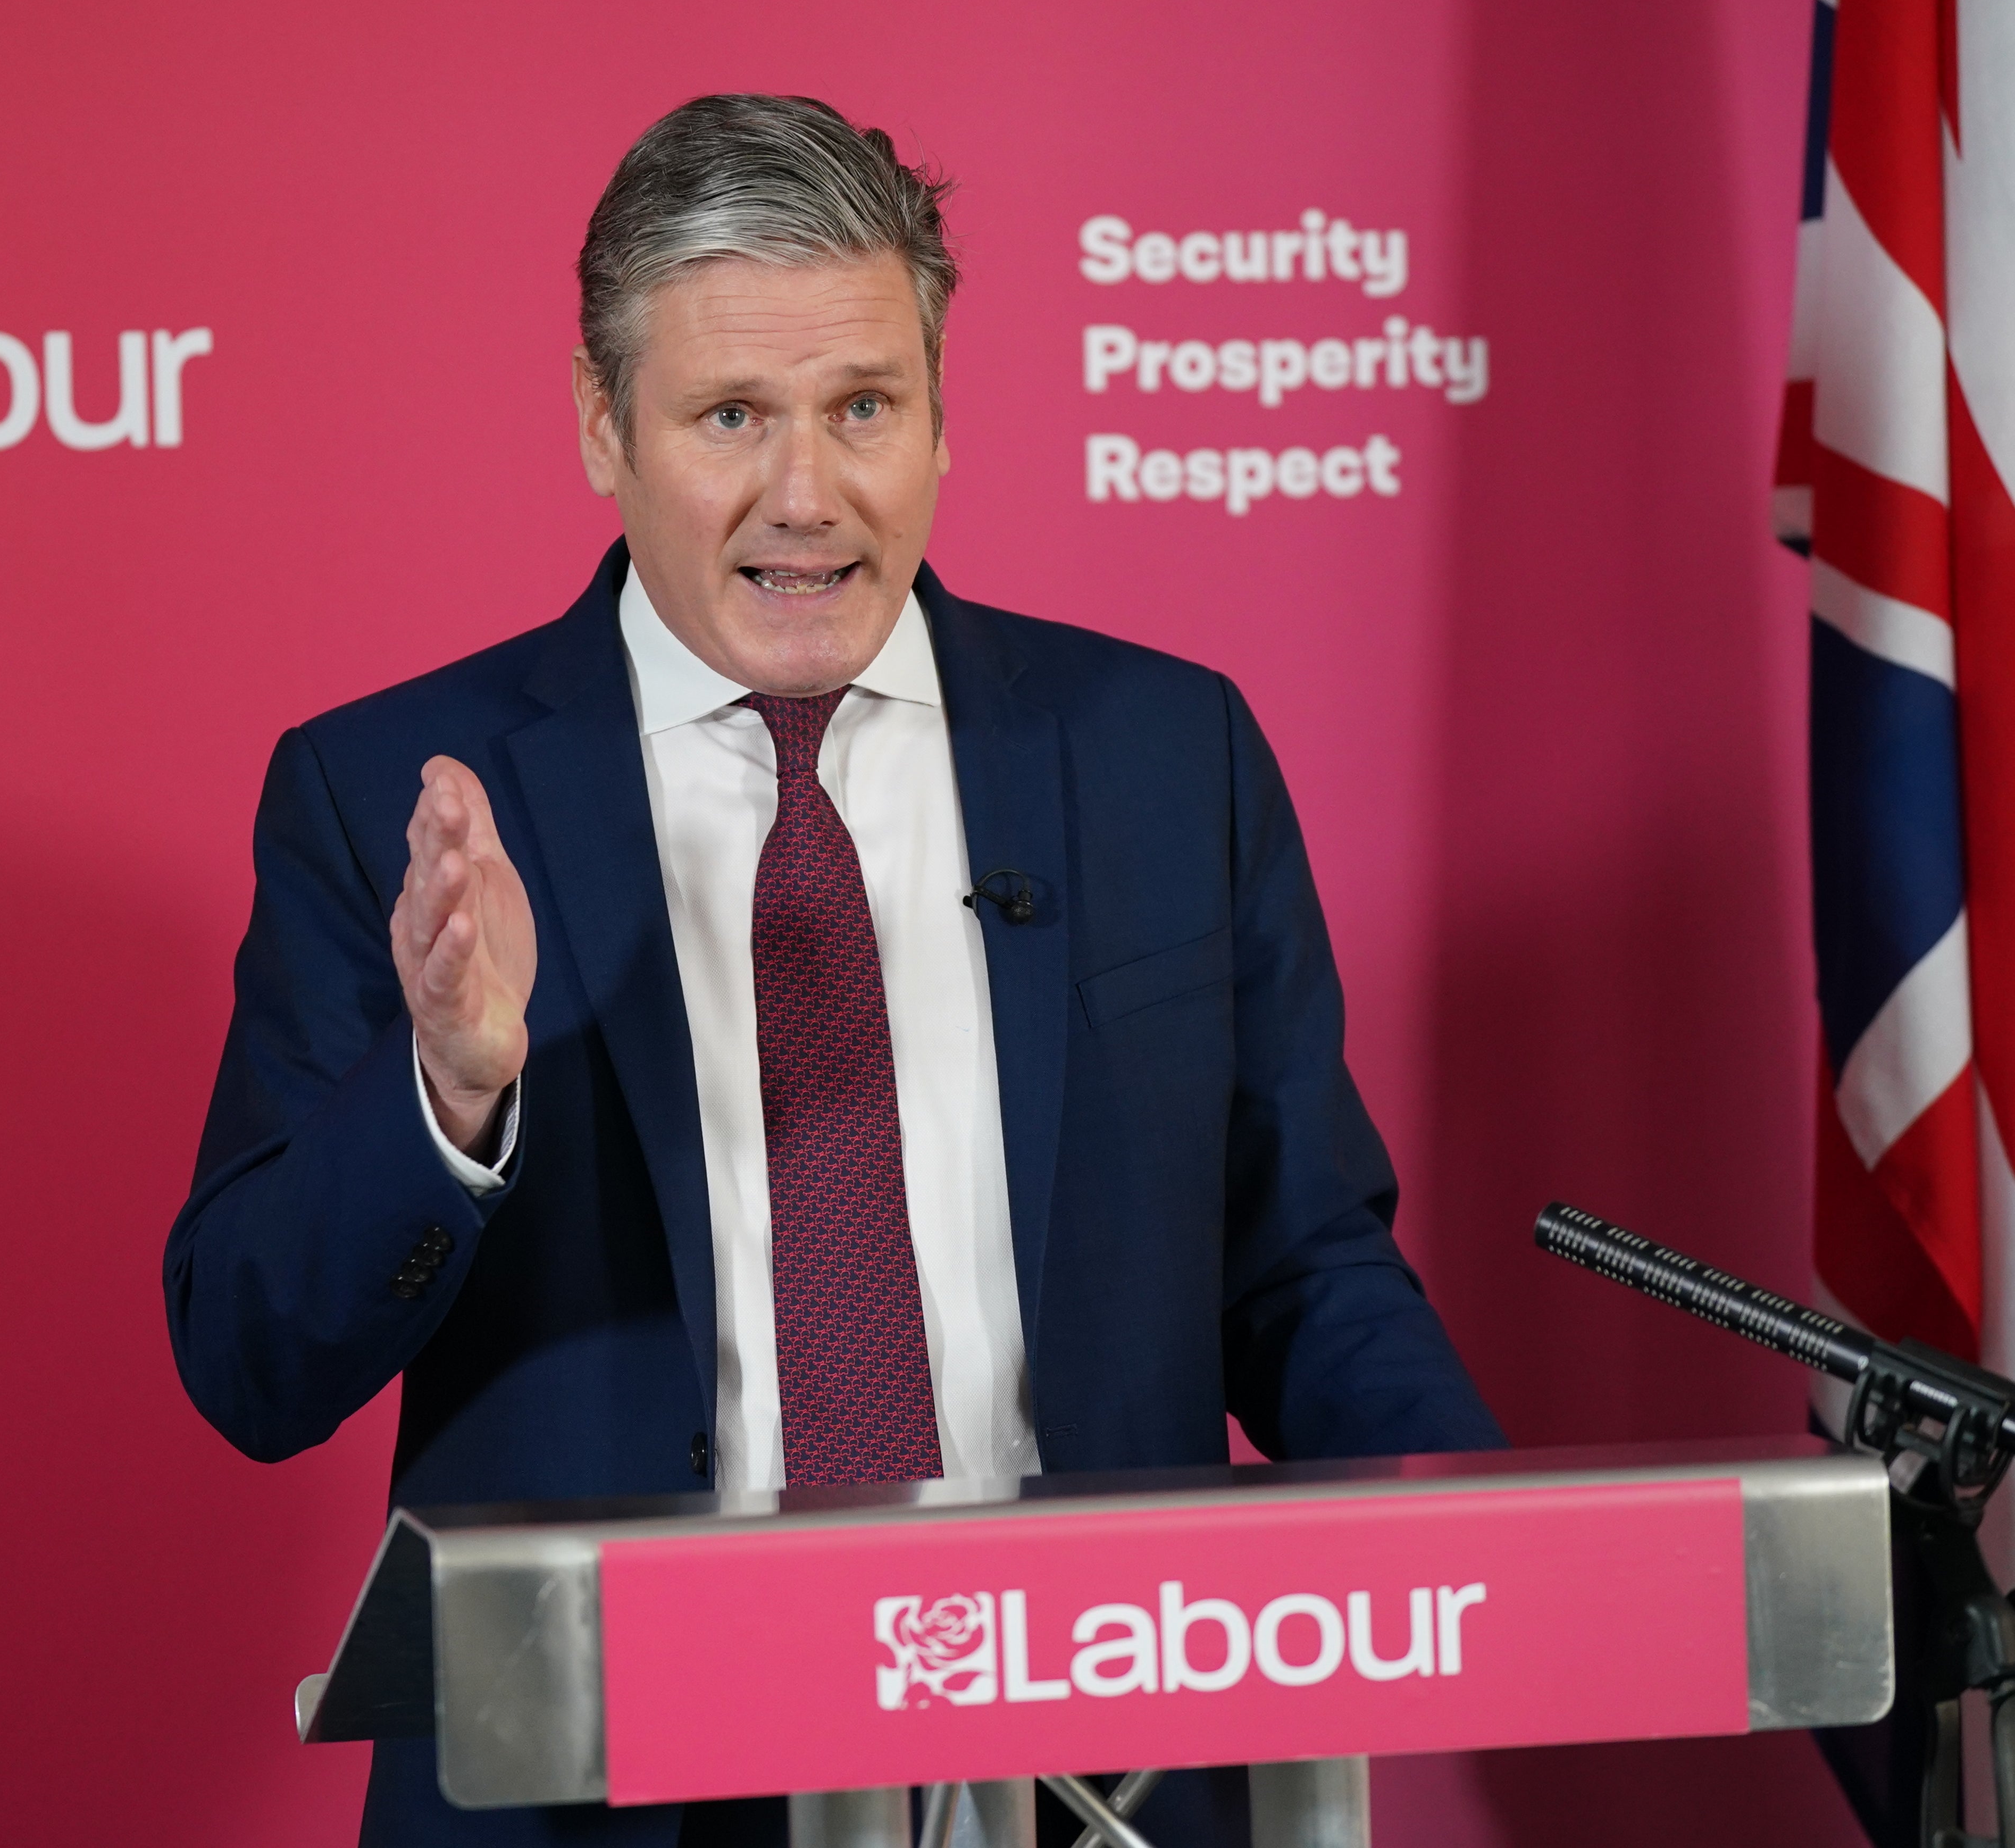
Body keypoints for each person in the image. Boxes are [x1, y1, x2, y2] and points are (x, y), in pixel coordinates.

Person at [164, 94, 1502, 1848]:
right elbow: (250, 1358)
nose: (810, 496)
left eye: (864, 407)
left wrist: (1485, 1546)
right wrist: (450, 1090)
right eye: (733, 416)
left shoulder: (1167, 753)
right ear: (601, 425)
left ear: (941, 416)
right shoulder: (398, 793)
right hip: (610, 1788)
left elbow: (1302, 1265)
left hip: (1094, 1771)